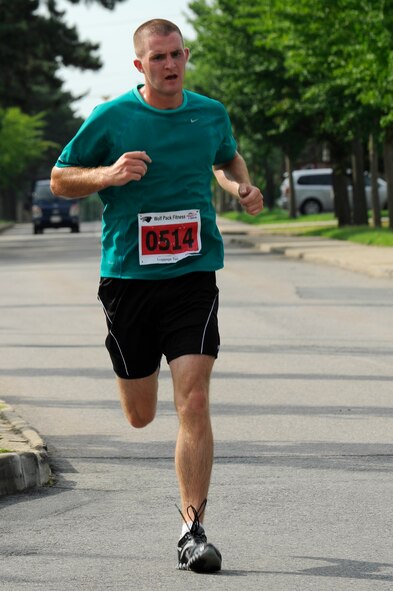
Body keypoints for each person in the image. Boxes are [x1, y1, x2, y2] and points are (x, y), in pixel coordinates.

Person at [51, 19, 263, 573]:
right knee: (142, 415)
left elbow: (226, 157)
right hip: (128, 280)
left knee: (193, 399)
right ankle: (133, 382)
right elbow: (59, 178)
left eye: (176, 55)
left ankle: (192, 530)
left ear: (186, 55)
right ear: (139, 65)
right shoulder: (114, 117)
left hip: (193, 273)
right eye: (158, 57)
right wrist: (109, 174)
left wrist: (239, 185)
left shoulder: (209, 113)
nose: (169, 65)